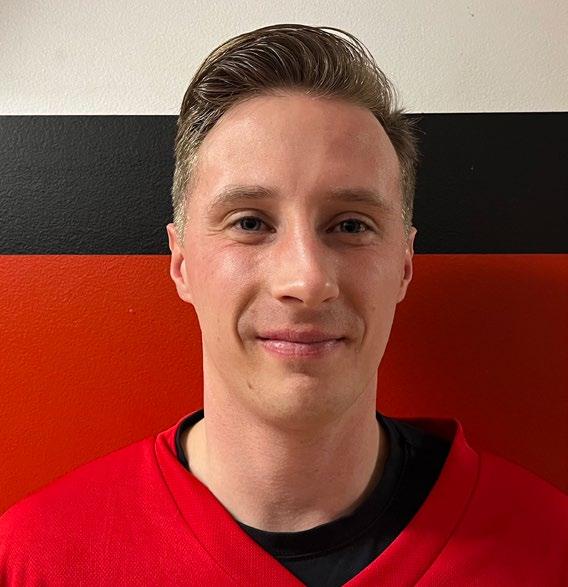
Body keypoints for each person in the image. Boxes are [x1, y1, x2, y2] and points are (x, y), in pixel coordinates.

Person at [1, 23, 566, 587]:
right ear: (181, 261)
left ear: (404, 265)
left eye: (351, 225)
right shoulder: (34, 561)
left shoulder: (551, 549)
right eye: (250, 222)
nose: (307, 280)